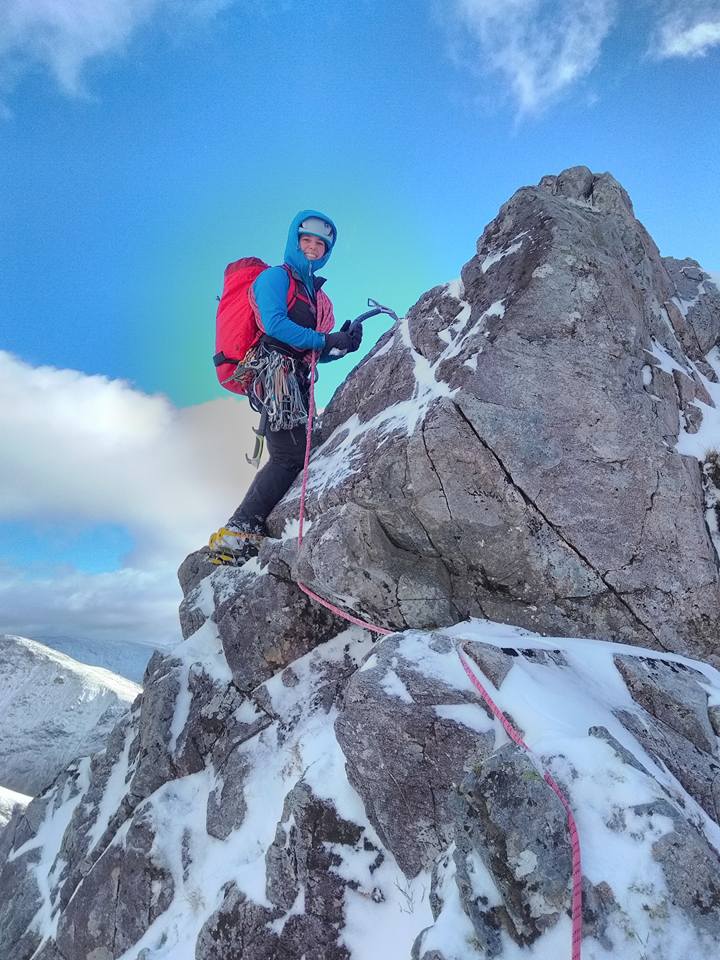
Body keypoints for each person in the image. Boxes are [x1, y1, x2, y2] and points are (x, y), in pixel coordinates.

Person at [208, 210, 362, 565]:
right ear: (295, 241)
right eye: (306, 240)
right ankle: (239, 529)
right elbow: (275, 324)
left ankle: (248, 527)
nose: (312, 247)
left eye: (320, 244)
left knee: (299, 451)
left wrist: (341, 345)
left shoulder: (317, 297)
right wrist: (325, 338)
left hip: (296, 378)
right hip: (274, 375)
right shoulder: (275, 279)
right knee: (290, 455)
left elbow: (312, 351)